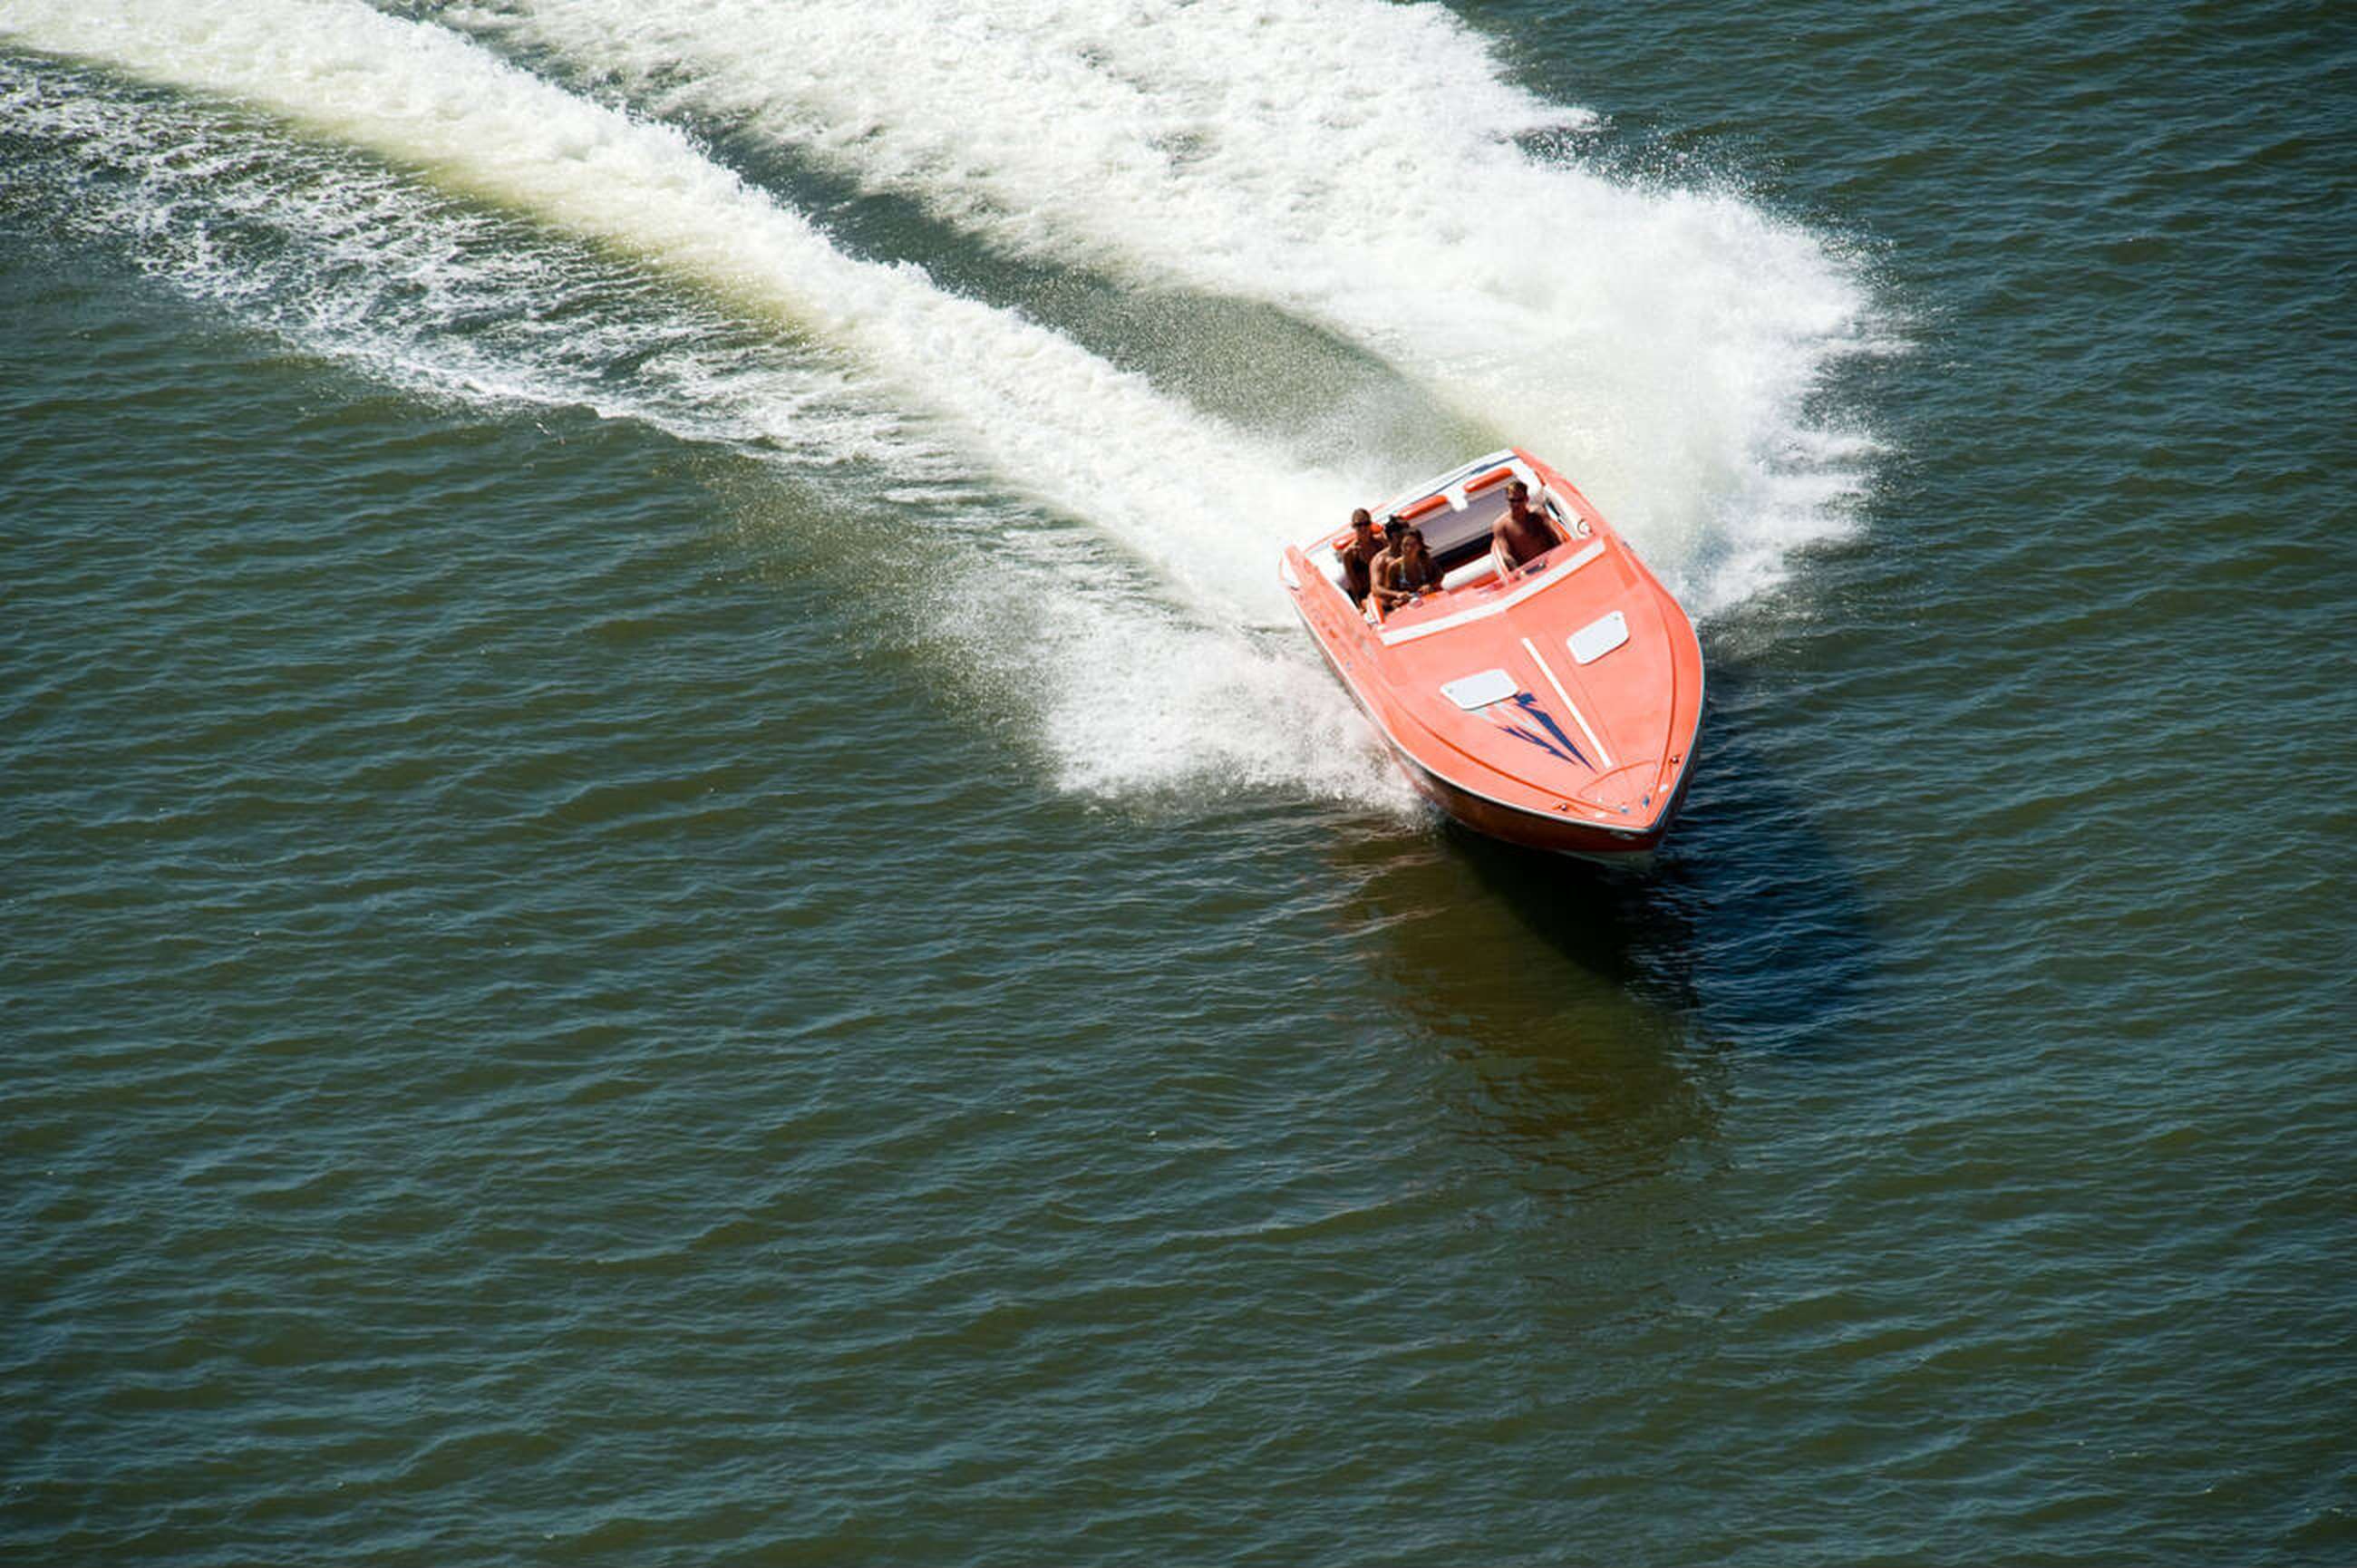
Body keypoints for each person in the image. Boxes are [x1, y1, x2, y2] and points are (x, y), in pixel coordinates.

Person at [1371, 520, 1440, 618]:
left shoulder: (1418, 553)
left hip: (1419, 595)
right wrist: (1397, 595)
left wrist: (1430, 585)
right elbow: (1376, 589)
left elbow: (1438, 574)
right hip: (1392, 602)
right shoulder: (1382, 560)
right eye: (1401, 535)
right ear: (1393, 536)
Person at [1492, 479, 1557, 573]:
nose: (1516, 504)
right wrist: (1521, 575)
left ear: (1526, 499)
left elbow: (1555, 534)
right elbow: (1506, 555)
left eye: (1520, 500)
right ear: (1507, 500)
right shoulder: (1500, 526)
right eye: (1512, 500)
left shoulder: (1538, 513)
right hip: (1527, 571)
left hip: (1551, 560)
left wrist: (1560, 556)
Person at [1335, 508, 1382, 606]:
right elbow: (1353, 584)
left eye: (1366, 523)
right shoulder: (1349, 554)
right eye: (1359, 525)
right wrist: (1359, 606)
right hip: (1367, 594)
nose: (1363, 528)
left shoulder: (1380, 543)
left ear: (1371, 524)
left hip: (1384, 587)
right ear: (1353, 526)